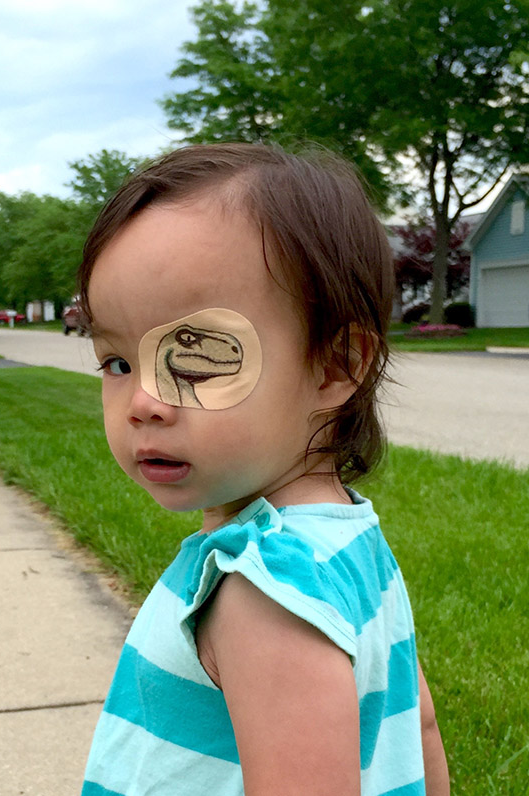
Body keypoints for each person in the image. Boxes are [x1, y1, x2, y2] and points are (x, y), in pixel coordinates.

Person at [77, 144, 449, 795]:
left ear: (335, 366)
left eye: (192, 360)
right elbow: (418, 727)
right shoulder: (346, 542)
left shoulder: (261, 590)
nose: (142, 403)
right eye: (118, 362)